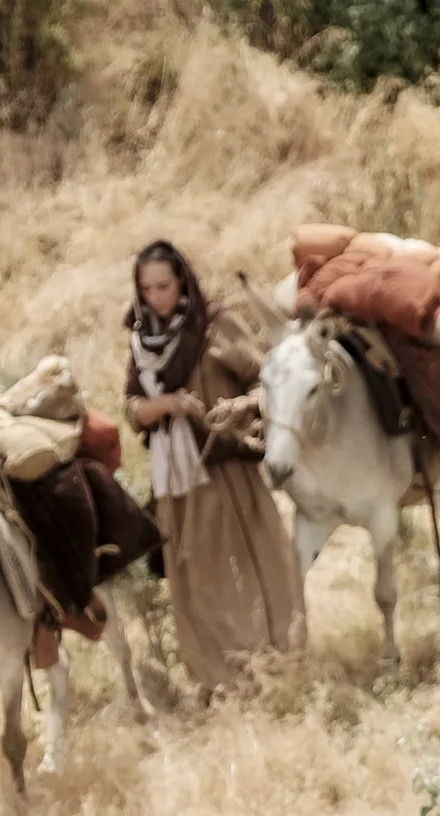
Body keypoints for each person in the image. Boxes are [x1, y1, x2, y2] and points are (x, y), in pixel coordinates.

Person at [122, 240, 305, 694]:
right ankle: (217, 678)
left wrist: (241, 406)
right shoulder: (141, 341)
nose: (156, 297)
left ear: (182, 281)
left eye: (164, 286)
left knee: (254, 568)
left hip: (226, 473)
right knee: (196, 581)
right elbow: (132, 409)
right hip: (176, 480)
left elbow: (268, 381)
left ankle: (278, 665)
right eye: (147, 289)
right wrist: (167, 404)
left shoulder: (216, 325)